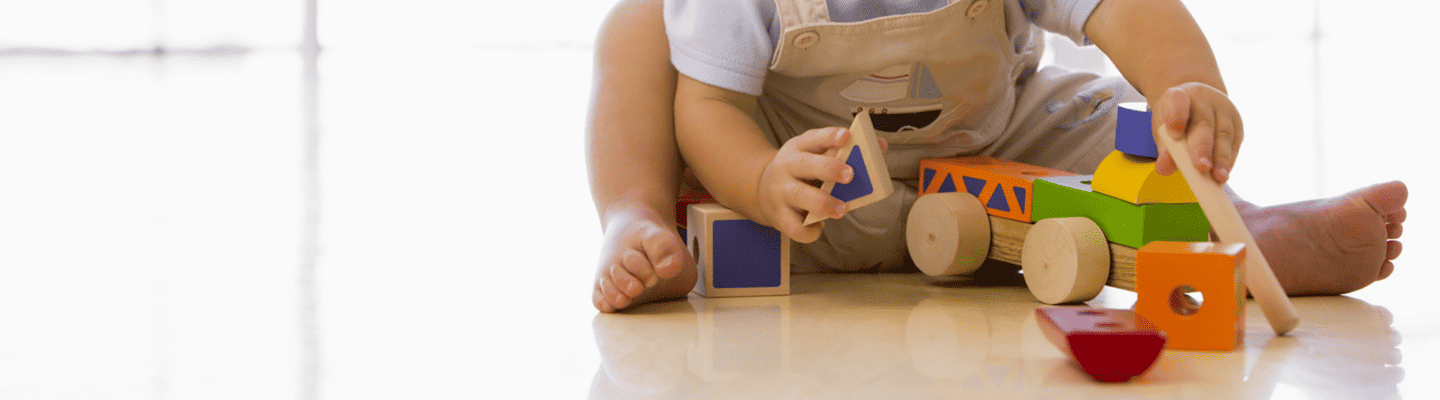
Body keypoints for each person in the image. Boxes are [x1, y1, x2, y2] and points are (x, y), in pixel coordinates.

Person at [588, 0, 1408, 313]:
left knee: (1113, 126)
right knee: (637, 27)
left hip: (998, 151)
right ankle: (639, 223)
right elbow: (710, 108)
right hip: (805, 194)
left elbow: (1126, 8)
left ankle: (1243, 231)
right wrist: (761, 180)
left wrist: (1187, 89)